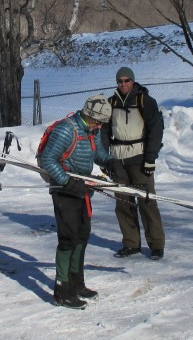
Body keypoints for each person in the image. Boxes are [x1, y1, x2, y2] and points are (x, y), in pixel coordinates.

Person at [37, 94, 114, 309]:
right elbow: (48, 160)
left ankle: (76, 283)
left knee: (82, 235)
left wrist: (110, 162)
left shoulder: (93, 130)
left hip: (83, 188)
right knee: (68, 237)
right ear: (88, 114)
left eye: (102, 123)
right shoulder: (65, 130)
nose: (99, 126)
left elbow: (97, 153)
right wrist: (65, 182)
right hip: (64, 190)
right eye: (97, 121)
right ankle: (62, 290)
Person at [103, 66, 165, 260]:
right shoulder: (110, 103)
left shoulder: (144, 101)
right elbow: (103, 132)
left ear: (133, 81)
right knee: (123, 203)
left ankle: (156, 244)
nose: (123, 84)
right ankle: (131, 243)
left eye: (126, 80)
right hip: (118, 158)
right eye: (120, 81)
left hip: (139, 157)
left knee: (146, 201)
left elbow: (156, 130)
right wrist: (105, 158)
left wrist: (150, 159)